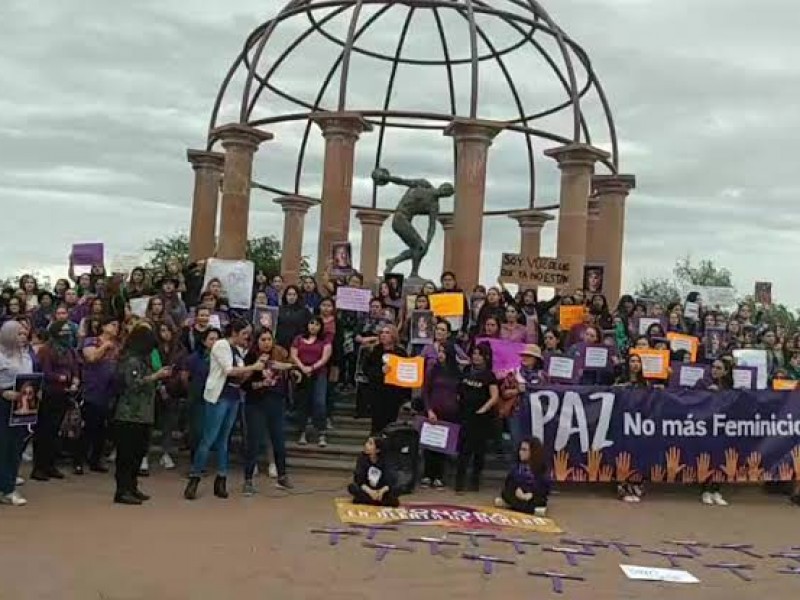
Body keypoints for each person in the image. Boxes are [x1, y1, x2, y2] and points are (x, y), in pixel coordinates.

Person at [184, 319, 265, 501]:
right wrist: (253, 367)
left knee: (224, 440)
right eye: (244, 333)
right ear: (235, 332)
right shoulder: (221, 345)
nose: (247, 337)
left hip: (233, 397)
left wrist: (256, 370)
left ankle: (221, 479)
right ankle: (194, 478)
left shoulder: (238, 351)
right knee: (209, 438)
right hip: (219, 396)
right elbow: (228, 370)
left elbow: (240, 375)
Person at [112, 324, 173, 505]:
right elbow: (133, 384)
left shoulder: (143, 359)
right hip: (129, 414)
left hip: (143, 413)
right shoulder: (131, 360)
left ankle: (132, 486)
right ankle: (122, 490)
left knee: (138, 453)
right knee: (127, 455)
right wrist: (155, 376)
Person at [242, 329, 295, 494]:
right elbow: (244, 384)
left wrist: (287, 368)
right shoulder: (250, 357)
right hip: (256, 404)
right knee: (254, 442)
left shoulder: (279, 353)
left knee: (279, 440)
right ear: (256, 341)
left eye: (269, 339)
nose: (266, 343)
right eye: (263, 339)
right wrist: (260, 380)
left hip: (276, 402)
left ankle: (282, 476)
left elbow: (292, 366)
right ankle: (248, 480)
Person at [32, 319, 80, 481]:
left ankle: (51, 465)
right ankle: (39, 467)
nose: (66, 335)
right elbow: (45, 372)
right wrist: (62, 378)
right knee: (44, 431)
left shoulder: (70, 351)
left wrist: (75, 380)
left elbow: (75, 369)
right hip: (48, 394)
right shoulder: (46, 350)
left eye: (68, 332)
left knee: (55, 432)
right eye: (63, 332)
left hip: (65, 394)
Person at [77, 315, 121, 473]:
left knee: (103, 429)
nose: (116, 328)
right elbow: (91, 357)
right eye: (112, 324)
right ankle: (79, 461)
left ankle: (96, 460)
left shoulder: (118, 345)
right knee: (89, 426)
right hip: (93, 389)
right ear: (103, 327)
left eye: (117, 325)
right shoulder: (91, 341)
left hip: (109, 391)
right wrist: (105, 346)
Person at [0, 321, 36, 506]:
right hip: (3, 403)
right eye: (18, 334)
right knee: (3, 446)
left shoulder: (26, 356)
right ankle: (6, 488)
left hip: (22, 404)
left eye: (24, 334)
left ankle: (8, 482)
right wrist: (3, 392)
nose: (23, 337)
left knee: (16, 446)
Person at [455, 342, 499, 493]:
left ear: (486, 357)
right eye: (474, 353)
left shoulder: (489, 375)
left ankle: (474, 481)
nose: (476, 357)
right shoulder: (467, 370)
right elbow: (459, 389)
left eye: (479, 354)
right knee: (463, 450)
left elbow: (494, 397)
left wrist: (483, 409)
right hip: (465, 415)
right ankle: (459, 483)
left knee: (479, 451)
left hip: (481, 418)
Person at [420, 342, 462, 489]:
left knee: (442, 447)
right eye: (440, 351)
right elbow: (425, 391)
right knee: (430, 445)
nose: (440, 354)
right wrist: (429, 410)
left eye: (444, 351)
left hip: (450, 414)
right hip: (433, 412)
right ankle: (427, 475)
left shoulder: (456, 372)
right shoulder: (433, 370)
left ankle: (439, 476)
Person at [291, 317, 333, 447]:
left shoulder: (324, 340)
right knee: (302, 402)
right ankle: (302, 432)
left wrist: (312, 367)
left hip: (319, 374)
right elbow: (293, 354)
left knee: (319, 402)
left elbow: (325, 357)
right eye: (311, 323)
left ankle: (321, 433)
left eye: (316, 324)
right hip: (301, 374)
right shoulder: (298, 338)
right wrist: (303, 367)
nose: (313, 326)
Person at [362, 325, 411, 435]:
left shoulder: (400, 352)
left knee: (391, 423)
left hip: (394, 393)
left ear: (393, 336)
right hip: (377, 391)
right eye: (382, 332)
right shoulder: (374, 351)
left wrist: (406, 397)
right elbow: (366, 370)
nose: (383, 335)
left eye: (387, 332)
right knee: (377, 423)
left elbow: (406, 372)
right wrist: (380, 371)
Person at [494, 438, 551, 516]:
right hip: (517, 494)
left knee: (539, 500)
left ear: (533, 452)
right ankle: (525, 508)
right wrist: (517, 490)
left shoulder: (542, 468)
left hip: (531, 496)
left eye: (524, 450)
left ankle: (516, 506)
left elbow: (544, 489)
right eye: (520, 449)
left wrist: (529, 495)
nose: (521, 452)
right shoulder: (516, 467)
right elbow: (509, 483)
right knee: (506, 493)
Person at [347, 436, 400, 507]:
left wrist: (381, 491)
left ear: (377, 450)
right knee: (352, 487)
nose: (366, 445)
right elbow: (359, 479)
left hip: (381, 489)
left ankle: (370, 500)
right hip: (367, 489)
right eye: (367, 442)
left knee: (396, 489)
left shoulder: (386, 460)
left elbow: (391, 479)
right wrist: (370, 492)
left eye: (370, 444)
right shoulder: (362, 458)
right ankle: (376, 501)